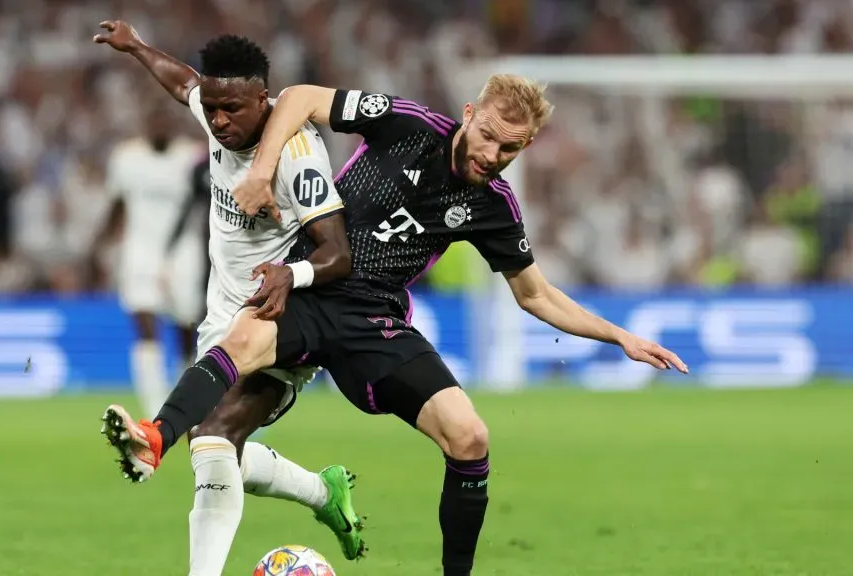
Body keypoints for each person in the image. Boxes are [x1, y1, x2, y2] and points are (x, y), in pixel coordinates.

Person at [107, 76, 690, 576]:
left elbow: (535, 295)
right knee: (238, 356)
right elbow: (301, 97)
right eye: (486, 135)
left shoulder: (494, 206)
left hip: (374, 320)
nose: (490, 154)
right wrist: (262, 173)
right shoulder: (407, 123)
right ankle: (157, 436)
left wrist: (621, 336)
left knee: (471, 437)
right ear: (469, 113)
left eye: (508, 149)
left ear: (526, 146)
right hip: (309, 281)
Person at [91, 20, 366, 569]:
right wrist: (138, 46)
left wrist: (293, 276)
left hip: (278, 323)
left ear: (263, 99)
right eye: (212, 109)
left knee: (213, 435)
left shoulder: (297, 154)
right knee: (215, 446)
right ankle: (322, 492)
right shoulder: (218, 108)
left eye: (232, 110)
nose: (218, 121)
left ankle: (156, 444)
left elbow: (337, 253)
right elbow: (182, 83)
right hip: (223, 322)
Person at [98, 106, 206, 416]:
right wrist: (99, 244)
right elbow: (117, 204)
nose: (159, 125)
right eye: (153, 119)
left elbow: (205, 202)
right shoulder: (126, 158)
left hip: (183, 251)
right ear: (145, 124)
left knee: (186, 327)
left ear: (173, 124)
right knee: (144, 323)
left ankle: (184, 401)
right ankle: (154, 408)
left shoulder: (192, 156)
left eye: (164, 119)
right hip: (140, 251)